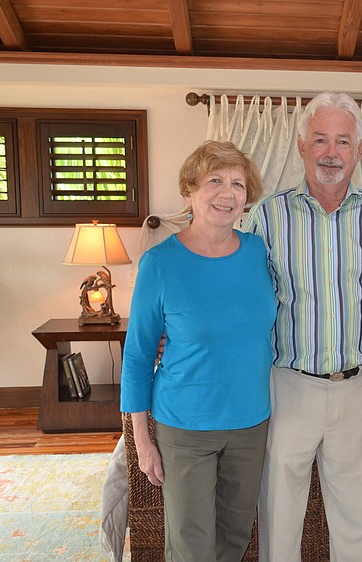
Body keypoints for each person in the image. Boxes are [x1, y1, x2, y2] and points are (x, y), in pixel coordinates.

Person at [243, 92, 362, 562]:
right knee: (279, 523)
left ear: (360, 150)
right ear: (301, 146)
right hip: (287, 387)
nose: (331, 152)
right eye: (321, 140)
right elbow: (243, 303)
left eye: (343, 141)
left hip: (360, 387)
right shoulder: (266, 217)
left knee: (358, 525)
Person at [121, 140, 275, 562]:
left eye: (238, 184)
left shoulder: (260, 252)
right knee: (191, 546)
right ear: (189, 192)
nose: (228, 194)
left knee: (235, 538)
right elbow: (137, 355)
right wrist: (141, 440)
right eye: (215, 181)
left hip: (251, 422)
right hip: (185, 427)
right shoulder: (160, 264)